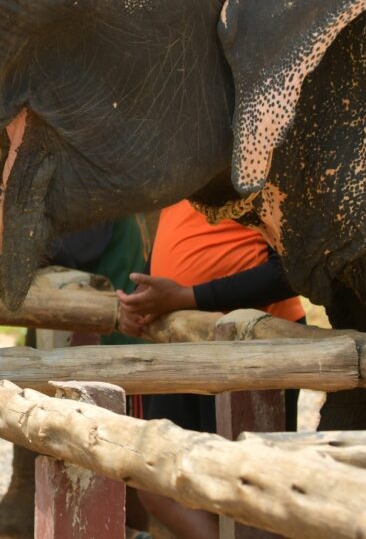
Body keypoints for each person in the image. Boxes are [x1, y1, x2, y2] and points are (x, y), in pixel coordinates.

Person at [117, 200, 303, 539]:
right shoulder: (181, 172)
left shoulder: (263, 168)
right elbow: (173, 250)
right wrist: (141, 302)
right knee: (159, 480)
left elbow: (292, 272)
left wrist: (188, 297)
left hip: (254, 340)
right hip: (182, 338)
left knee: (247, 486)